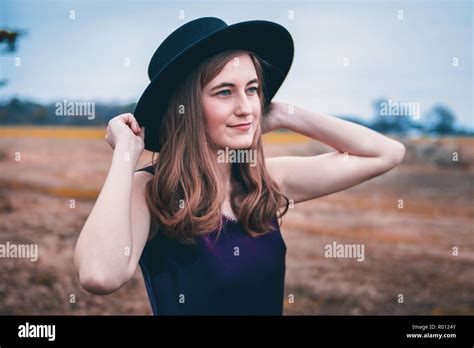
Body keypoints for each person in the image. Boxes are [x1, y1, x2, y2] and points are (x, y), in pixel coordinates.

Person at [74, 17, 405, 315]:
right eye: (224, 92)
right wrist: (126, 155)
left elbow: (386, 153)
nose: (246, 107)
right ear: (184, 108)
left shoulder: (266, 182)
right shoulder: (152, 189)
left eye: (253, 89)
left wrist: (287, 114)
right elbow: (99, 275)